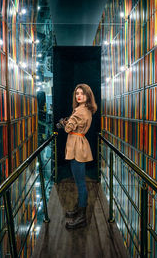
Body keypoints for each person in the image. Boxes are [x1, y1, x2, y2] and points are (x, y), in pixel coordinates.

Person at [58, 83, 97, 229]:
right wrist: (67, 122)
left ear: (88, 96)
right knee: (79, 181)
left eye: (82, 93)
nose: (79, 96)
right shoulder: (85, 109)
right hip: (78, 143)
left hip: (77, 147)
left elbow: (68, 128)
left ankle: (82, 217)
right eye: (77, 93)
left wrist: (64, 123)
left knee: (80, 183)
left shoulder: (80, 111)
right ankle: (78, 210)